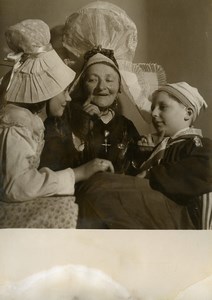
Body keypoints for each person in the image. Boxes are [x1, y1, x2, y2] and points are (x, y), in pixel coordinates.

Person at [0, 19, 113, 228]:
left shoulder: (30, 123)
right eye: (64, 92)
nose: (68, 99)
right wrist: (77, 174)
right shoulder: (17, 126)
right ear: (46, 92)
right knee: (70, 210)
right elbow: (14, 187)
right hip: (5, 213)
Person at [76, 82, 212, 229]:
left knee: (99, 185)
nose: (153, 113)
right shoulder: (164, 145)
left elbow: (206, 168)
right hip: (162, 210)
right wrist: (144, 156)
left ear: (188, 113)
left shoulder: (196, 143)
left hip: (182, 216)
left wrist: (151, 174)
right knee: (97, 185)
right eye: (153, 107)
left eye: (163, 107)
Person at [40, 47, 143, 174]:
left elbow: (137, 168)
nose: (101, 87)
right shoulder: (63, 118)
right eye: (93, 80)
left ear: (119, 88)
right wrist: (83, 125)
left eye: (109, 80)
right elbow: (52, 167)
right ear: (82, 85)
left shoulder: (126, 126)